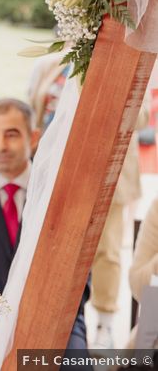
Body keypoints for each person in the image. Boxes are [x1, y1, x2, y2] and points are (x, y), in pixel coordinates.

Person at [0, 99, 88, 370]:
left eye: (11, 134)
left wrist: (40, 321)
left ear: (34, 137)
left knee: (73, 366)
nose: (0, 146)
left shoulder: (60, 190)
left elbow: (81, 272)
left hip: (52, 315)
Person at [28, 52, 148, 349]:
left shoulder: (126, 55)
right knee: (56, 245)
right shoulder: (49, 63)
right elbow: (35, 107)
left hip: (108, 170)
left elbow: (142, 116)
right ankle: (59, 322)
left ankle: (105, 324)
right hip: (59, 169)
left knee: (107, 250)